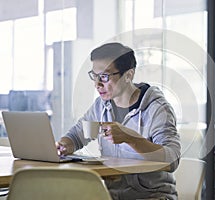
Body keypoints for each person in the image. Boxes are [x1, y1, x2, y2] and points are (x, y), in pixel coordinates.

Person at [56, 42, 181, 200]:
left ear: (128, 75)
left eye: (104, 77)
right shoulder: (101, 105)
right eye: (94, 76)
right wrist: (64, 145)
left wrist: (130, 138)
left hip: (152, 196)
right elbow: (76, 135)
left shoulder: (157, 109)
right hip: (112, 196)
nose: (97, 84)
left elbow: (172, 160)